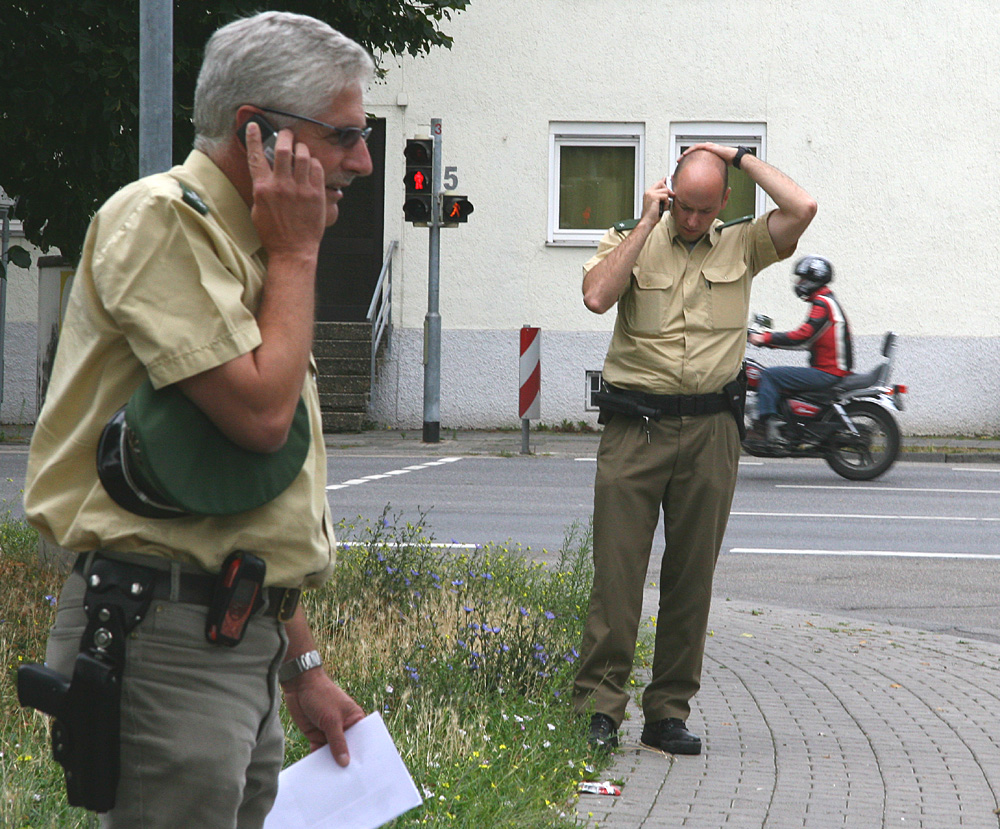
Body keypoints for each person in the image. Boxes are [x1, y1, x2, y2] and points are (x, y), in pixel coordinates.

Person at [23, 12, 374, 827]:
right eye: (346, 134)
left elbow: (243, 498)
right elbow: (258, 415)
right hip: (164, 638)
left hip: (224, 631)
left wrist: (304, 667)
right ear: (258, 135)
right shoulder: (161, 221)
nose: (360, 160)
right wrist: (296, 256)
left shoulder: (247, 245)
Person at [574, 143, 816, 755]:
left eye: (705, 211)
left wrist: (738, 156)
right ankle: (599, 711)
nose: (693, 221)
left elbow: (803, 205)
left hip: (711, 432)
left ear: (723, 203)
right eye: (684, 207)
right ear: (668, 192)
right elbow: (597, 296)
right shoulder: (632, 234)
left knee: (691, 580)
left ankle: (667, 714)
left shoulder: (742, 243)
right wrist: (646, 221)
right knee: (618, 576)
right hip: (636, 430)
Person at [748, 255, 853, 445]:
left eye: (802, 279)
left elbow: (803, 336)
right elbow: (806, 340)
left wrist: (764, 338)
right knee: (777, 378)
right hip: (830, 369)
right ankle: (782, 422)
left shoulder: (822, 303)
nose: (798, 283)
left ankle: (764, 429)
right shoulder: (826, 300)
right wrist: (769, 340)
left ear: (813, 280)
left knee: (769, 376)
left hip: (828, 372)